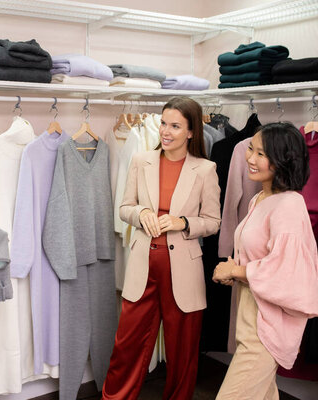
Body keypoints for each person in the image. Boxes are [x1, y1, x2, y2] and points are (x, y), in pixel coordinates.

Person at [102, 97, 221, 399]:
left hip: (184, 270)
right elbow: (125, 207)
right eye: (164, 123)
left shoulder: (206, 170)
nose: (166, 132)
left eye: (175, 126)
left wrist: (182, 222)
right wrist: (141, 214)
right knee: (126, 346)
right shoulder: (142, 160)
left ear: (192, 131)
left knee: (183, 353)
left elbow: (212, 221)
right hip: (143, 265)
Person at [213, 122, 318, 399]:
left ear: (283, 160)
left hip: (266, 324)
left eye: (261, 154)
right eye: (251, 149)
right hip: (250, 315)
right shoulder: (260, 198)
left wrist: (235, 269)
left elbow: (287, 273)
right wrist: (234, 272)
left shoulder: (288, 206)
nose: (250, 158)